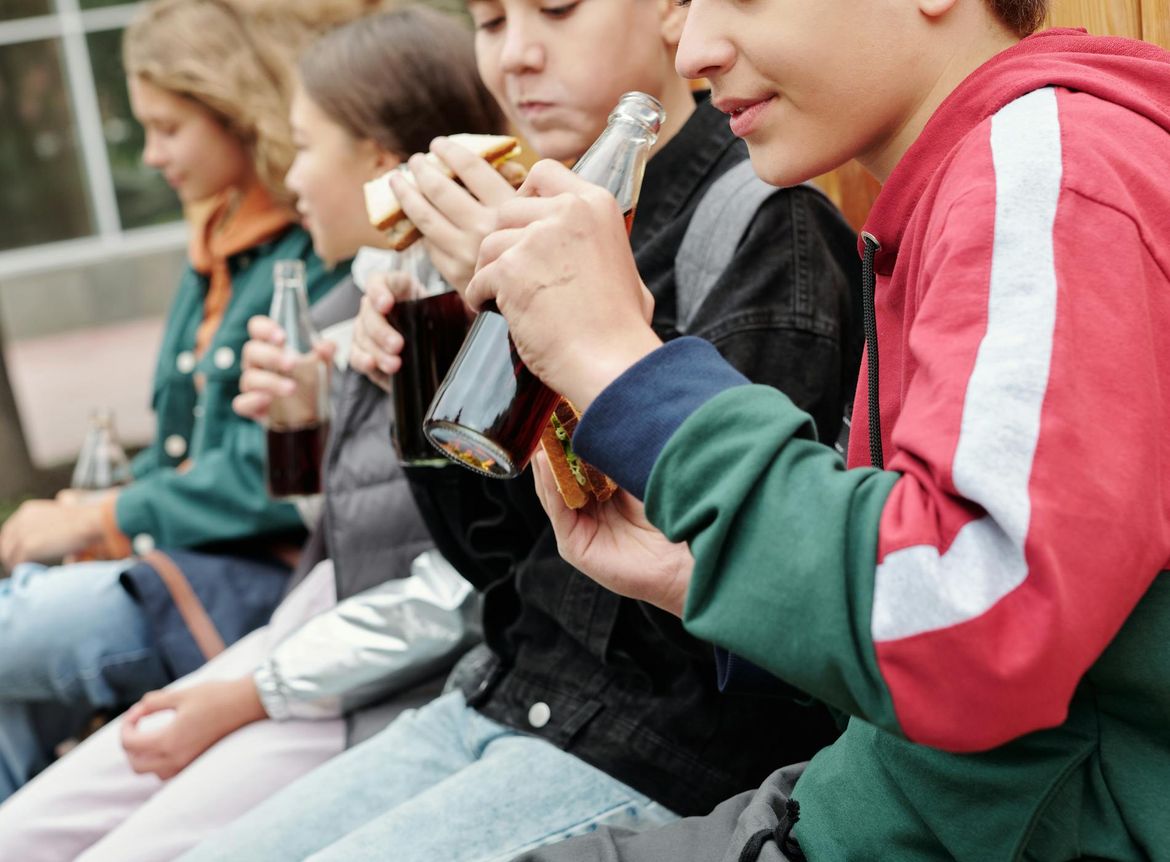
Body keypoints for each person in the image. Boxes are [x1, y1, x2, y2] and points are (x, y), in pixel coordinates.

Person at [456, 0, 1170, 859]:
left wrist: (625, 370)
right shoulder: (964, 187)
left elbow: (976, 630)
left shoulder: (1048, 167)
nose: (695, 51)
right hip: (898, 801)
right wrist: (701, 568)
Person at [181, 0, 861, 858]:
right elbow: (495, 561)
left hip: (654, 761)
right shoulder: (522, 215)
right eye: (490, 22)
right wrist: (425, 355)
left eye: (557, 10)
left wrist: (563, 340)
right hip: (497, 694)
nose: (518, 56)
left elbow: (731, 618)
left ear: (673, 14)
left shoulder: (765, 228)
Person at [0, 7, 508, 860]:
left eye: (303, 147)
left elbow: (459, 583)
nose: (289, 171)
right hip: (307, 646)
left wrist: (248, 690)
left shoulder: (438, 306)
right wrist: (306, 426)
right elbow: (346, 525)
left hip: (350, 677)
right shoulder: (363, 286)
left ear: (383, 164)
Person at [0, 0, 353, 803]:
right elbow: (179, 449)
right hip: (175, 573)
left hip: (254, 593)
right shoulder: (216, 246)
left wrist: (104, 516)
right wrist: (108, 517)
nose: (153, 155)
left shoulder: (313, 247)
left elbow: (278, 476)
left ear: (235, 112)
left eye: (169, 128)